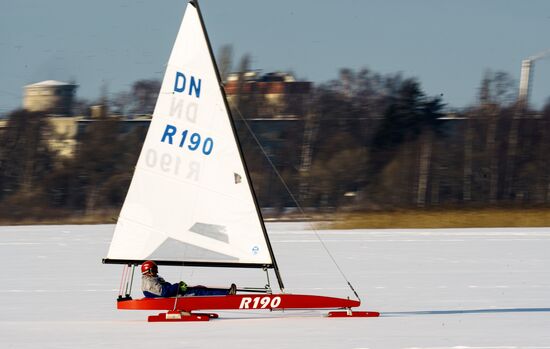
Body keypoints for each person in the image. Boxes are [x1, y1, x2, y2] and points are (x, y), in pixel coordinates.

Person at [140, 260, 237, 298]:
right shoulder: (148, 283)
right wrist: (178, 286)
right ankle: (227, 294)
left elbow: (166, 288)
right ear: (148, 271)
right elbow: (165, 292)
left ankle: (227, 291)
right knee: (199, 291)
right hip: (175, 297)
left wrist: (178, 287)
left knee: (199, 288)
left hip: (176, 293)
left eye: (156, 269)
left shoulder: (152, 279)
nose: (156, 272)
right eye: (154, 270)